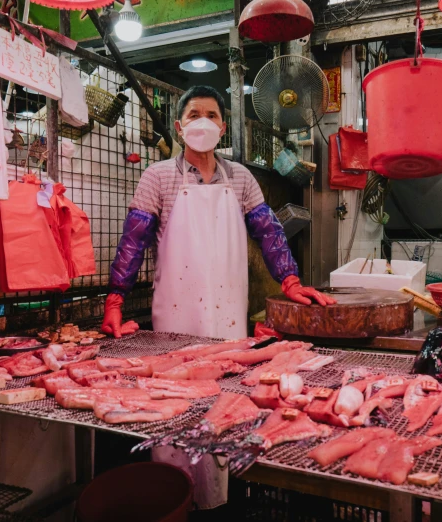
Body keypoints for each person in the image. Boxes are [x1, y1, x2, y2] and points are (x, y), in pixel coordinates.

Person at [101, 85, 334, 509]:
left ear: (223, 126)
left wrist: (291, 281)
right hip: (175, 316)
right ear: (179, 125)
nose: (202, 121)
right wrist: (115, 299)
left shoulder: (241, 178)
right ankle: (171, 495)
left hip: (227, 316)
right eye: (193, 115)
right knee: (171, 404)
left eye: (210, 114)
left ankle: (216, 503)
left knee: (222, 407)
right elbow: (133, 240)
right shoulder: (158, 176)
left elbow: (269, 232)